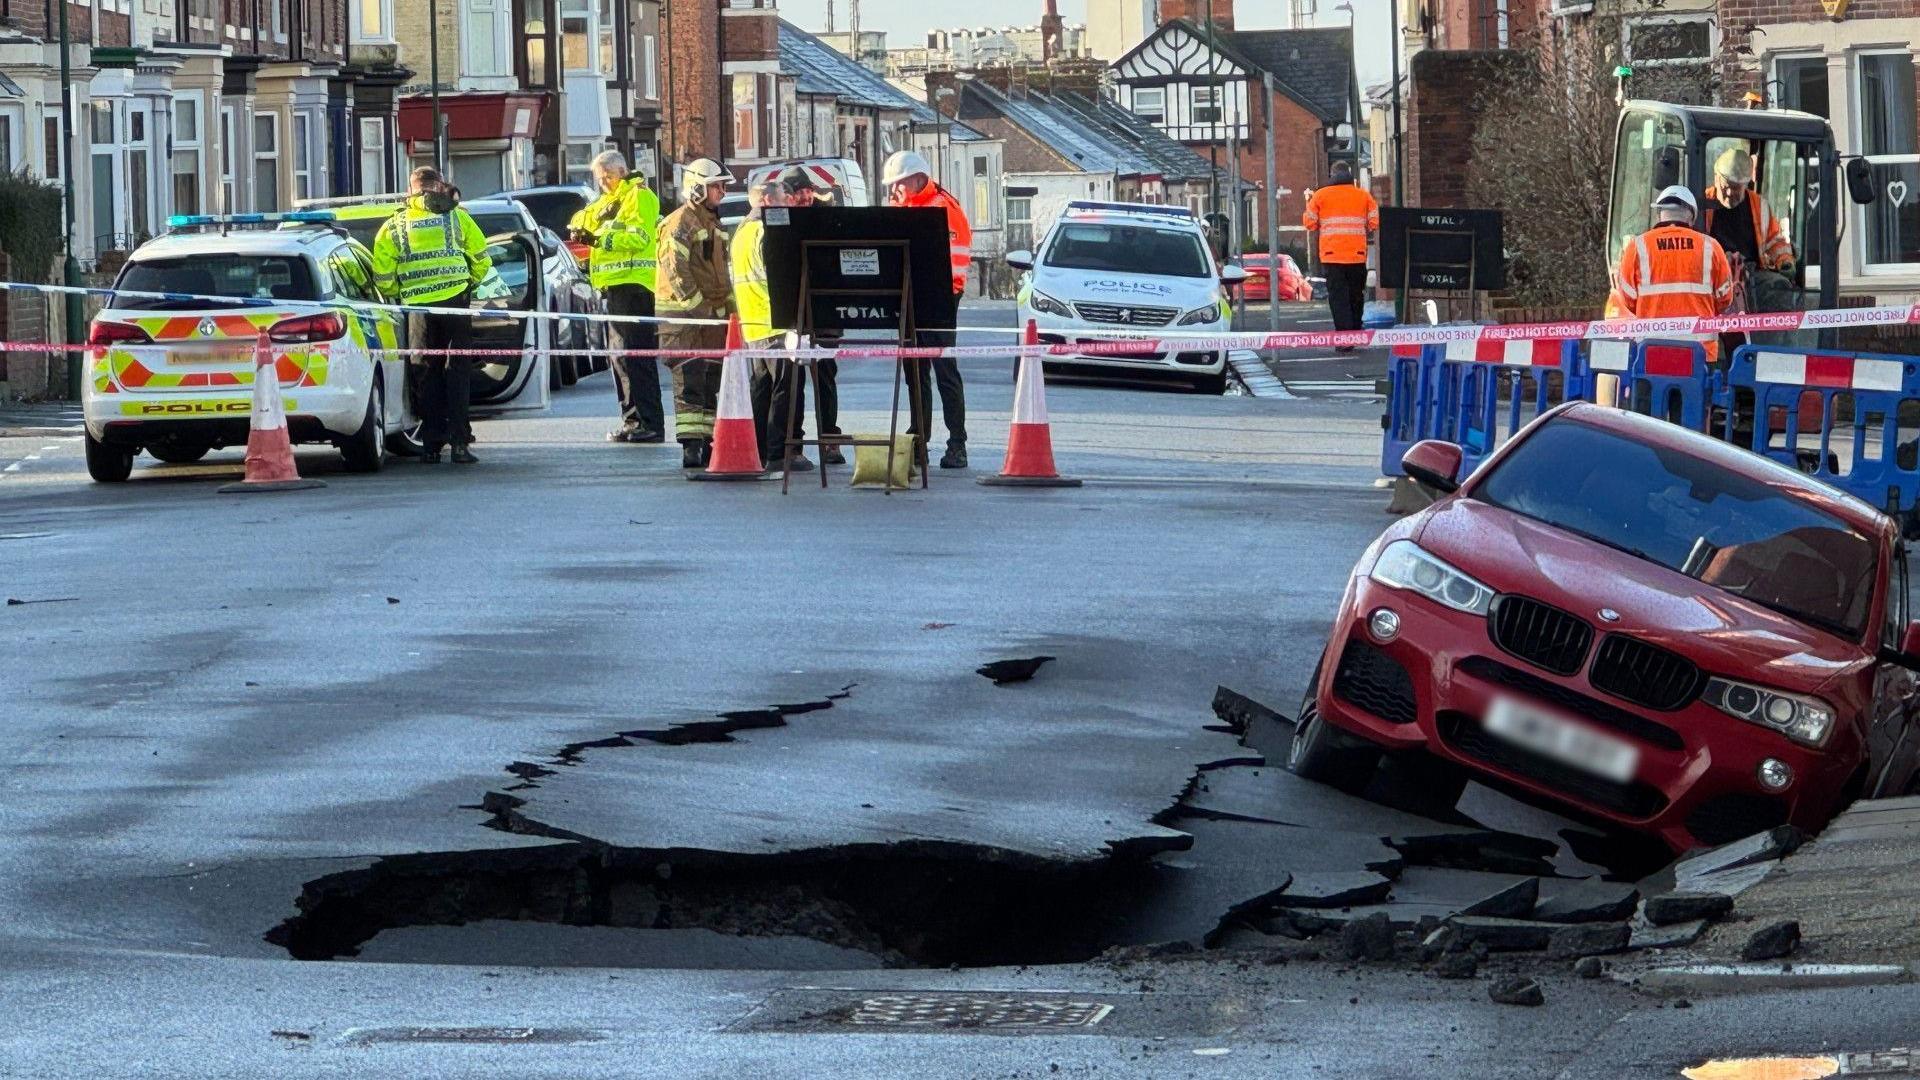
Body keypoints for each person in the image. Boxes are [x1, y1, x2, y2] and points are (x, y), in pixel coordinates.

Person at [370, 166, 494, 465]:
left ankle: (431, 447)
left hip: (418, 309)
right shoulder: (457, 217)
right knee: (458, 373)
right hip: (454, 303)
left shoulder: (394, 226)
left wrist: (398, 293)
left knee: (427, 375)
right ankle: (461, 444)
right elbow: (481, 260)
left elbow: (383, 275)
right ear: (438, 187)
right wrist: (468, 285)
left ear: (410, 190)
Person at [568, 150, 665, 444]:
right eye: (599, 179)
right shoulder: (610, 201)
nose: (603, 183)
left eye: (607, 177)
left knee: (637, 357)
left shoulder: (638, 196)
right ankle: (632, 420)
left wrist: (599, 238)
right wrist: (584, 226)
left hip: (634, 284)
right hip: (616, 287)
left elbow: (639, 238)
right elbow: (579, 219)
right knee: (620, 358)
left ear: (621, 171)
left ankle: (649, 423)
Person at [882, 150, 971, 470]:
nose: (893, 191)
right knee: (914, 374)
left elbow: (954, 260)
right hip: (910, 299)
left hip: (941, 299)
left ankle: (957, 442)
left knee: (944, 371)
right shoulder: (904, 207)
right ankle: (919, 440)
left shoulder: (944, 208)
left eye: (898, 184)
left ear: (918, 179)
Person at [655, 158, 736, 469]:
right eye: (717, 186)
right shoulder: (679, 224)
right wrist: (701, 310)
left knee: (710, 383)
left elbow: (721, 275)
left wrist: (730, 311)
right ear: (698, 188)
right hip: (684, 322)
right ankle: (691, 448)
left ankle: (706, 444)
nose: (723, 192)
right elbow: (677, 275)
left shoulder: (713, 224)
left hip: (710, 320)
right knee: (690, 382)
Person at [734, 177, 811, 471]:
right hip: (775, 322)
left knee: (762, 390)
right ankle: (779, 453)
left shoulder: (741, 230)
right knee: (785, 390)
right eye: (781, 201)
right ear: (767, 201)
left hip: (753, 325)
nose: (786, 206)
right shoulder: (766, 231)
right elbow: (777, 275)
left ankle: (762, 450)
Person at [1610, 186, 1736, 361]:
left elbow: (1628, 299)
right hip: (1700, 355)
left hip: (1651, 352)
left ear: (1659, 215)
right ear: (1691, 217)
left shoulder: (1637, 247)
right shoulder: (1711, 246)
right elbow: (1725, 298)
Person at [774, 166, 845, 465]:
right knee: (793, 381)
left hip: (824, 311)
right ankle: (795, 444)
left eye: (805, 192)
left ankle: (830, 440)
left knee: (825, 378)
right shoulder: (780, 220)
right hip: (792, 313)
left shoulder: (826, 216)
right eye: (796, 194)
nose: (803, 199)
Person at [1702, 146, 1797, 313]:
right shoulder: (1703, 205)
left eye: (1736, 187)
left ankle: (1771, 337)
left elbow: (1775, 241)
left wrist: (1785, 260)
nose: (1730, 192)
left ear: (1746, 184)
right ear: (1716, 178)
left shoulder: (1759, 206)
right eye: (1726, 186)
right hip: (1712, 275)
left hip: (1750, 274)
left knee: (1779, 288)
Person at [1301, 160, 1379, 352]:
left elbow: (1310, 224)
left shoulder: (1320, 196)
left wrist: (1308, 202)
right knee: (1356, 296)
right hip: (1357, 256)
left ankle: (1344, 338)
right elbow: (1374, 222)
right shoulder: (1363, 195)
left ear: (1332, 174)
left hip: (1332, 256)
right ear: (1349, 174)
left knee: (1338, 298)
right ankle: (1354, 331)